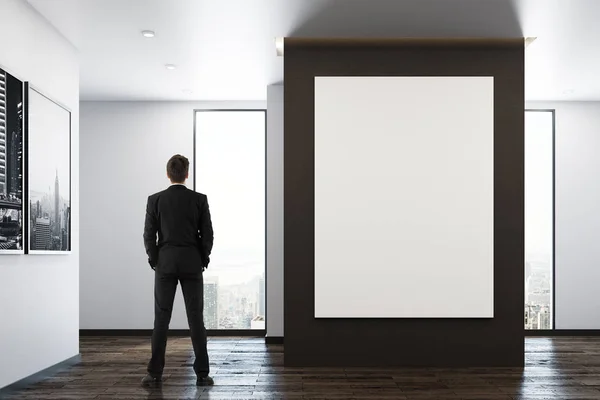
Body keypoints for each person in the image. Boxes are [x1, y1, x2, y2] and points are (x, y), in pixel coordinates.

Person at [141, 154, 214, 387]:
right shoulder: (199, 200)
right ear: (187, 174)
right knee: (196, 320)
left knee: (161, 319)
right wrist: (202, 258)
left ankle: (154, 374)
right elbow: (208, 235)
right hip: (192, 262)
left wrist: (155, 259)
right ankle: (203, 374)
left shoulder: (155, 200)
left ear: (167, 174)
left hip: (165, 263)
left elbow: (148, 235)